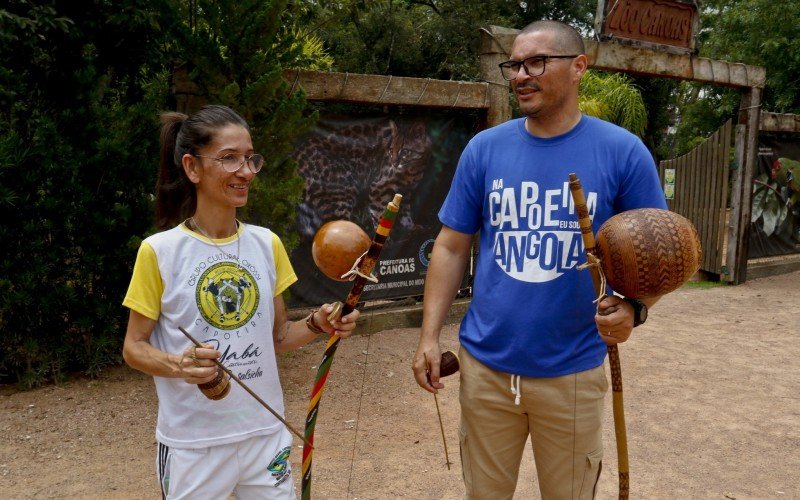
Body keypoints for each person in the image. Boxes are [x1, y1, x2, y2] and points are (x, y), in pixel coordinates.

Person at [411, 20, 666, 499]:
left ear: (578, 67)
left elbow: (660, 252)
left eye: (536, 62)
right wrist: (429, 335)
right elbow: (450, 245)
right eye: (515, 64)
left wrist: (635, 308)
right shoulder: (484, 149)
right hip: (485, 370)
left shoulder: (623, 152)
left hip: (573, 369)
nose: (521, 75)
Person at [122, 104, 359, 499]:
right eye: (229, 158)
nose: (246, 171)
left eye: (250, 159)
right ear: (192, 168)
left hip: (265, 435)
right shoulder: (159, 252)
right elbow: (133, 348)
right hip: (193, 446)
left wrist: (319, 323)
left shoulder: (266, 244)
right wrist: (180, 364)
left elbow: (278, 337)